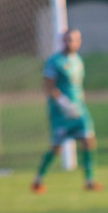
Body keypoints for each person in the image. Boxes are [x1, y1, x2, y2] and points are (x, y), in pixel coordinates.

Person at [31, 29, 101, 193]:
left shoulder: (78, 60)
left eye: (74, 40)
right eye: (67, 40)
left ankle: (89, 180)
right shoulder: (54, 61)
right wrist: (63, 103)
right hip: (60, 112)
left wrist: (78, 102)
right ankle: (38, 180)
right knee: (56, 147)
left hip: (79, 109)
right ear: (62, 41)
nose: (71, 43)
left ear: (79, 41)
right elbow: (48, 86)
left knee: (88, 140)